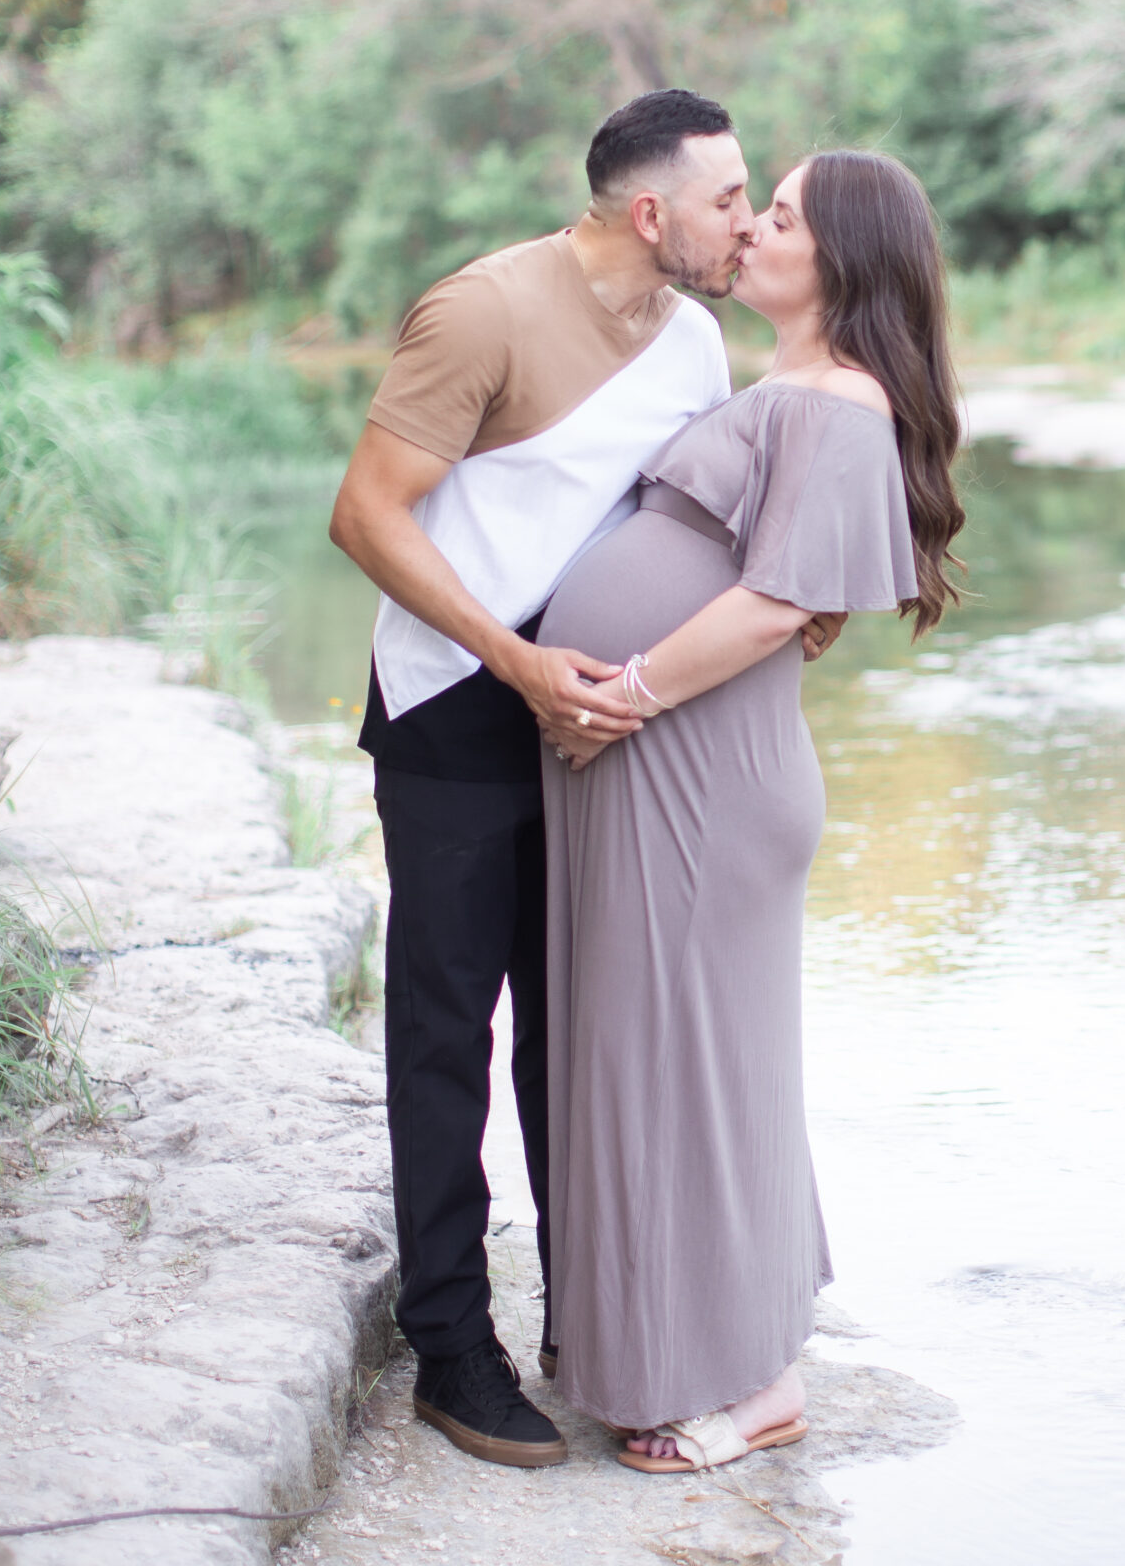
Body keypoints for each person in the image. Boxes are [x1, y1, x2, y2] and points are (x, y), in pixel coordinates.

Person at [330, 88, 789, 1470]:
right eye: (726, 199)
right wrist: (512, 665)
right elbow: (365, 512)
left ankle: (596, 1329)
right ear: (651, 213)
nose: (746, 220)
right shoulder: (481, 311)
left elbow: (688, 523)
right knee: (447, 1028)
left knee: (582, 1031)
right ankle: (451, 1346)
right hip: (456, 711)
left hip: (595, 722)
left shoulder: (697, 339)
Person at [539, 148, 966, 1472]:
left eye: (777, 216)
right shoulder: (782, 380)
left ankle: (758, 1381)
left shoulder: (838, 400)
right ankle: (660, 1346)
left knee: (701, 1079)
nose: (754, 230)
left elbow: (780, 601)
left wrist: (631, 688)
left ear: (839, 256)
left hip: (700, 780)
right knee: (649, 1065)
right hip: (666, 761)